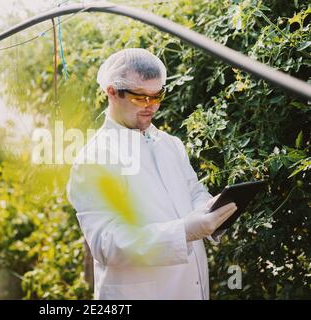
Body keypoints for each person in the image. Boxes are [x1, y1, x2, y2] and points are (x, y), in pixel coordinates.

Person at [66, 48, 237, 300]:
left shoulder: (170, 143)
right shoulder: (94, 159)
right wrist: (185, 232)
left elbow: (193, 191)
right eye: (140, 97)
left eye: (157, 96)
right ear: (112, 92)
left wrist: (209, 210)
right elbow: (106, 243)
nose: (151, 106)